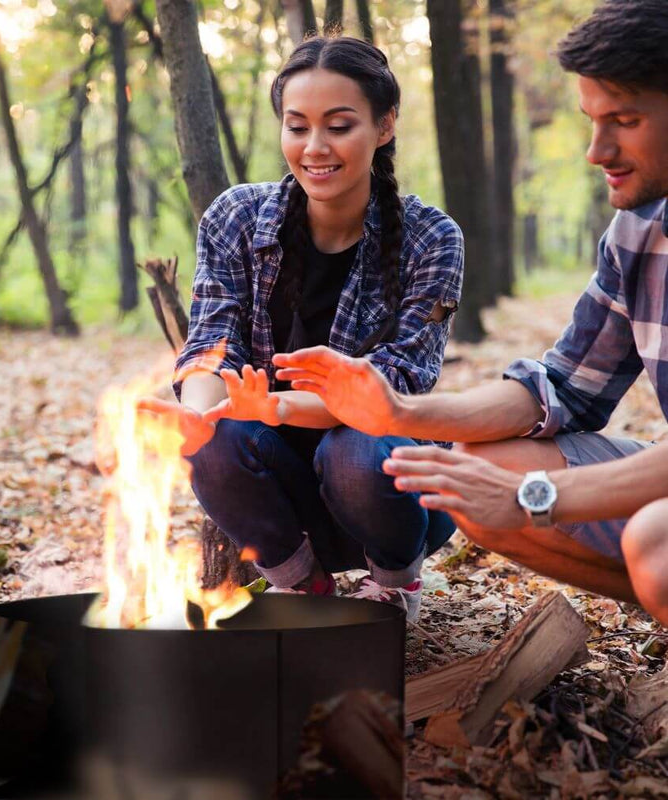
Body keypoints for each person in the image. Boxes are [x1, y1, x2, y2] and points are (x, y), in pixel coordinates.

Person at [272, 0, 668, 625]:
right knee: (475, 474)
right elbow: (563, 387)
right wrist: (399, 410)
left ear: (384, 126)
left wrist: (535, 495)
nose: (596, 151)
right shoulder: (637, 235)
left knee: (653, 545)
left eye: (623, 120)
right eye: (591, 120)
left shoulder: (427, 234)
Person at [149, 36, 464, 622]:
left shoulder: (431, 238)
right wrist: (197, 415)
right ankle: (302, 589)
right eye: (297, 127)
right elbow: (212, 344)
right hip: (278, 492)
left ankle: (394, 589)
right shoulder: (237, 218)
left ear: (385, 125)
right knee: (210, 440)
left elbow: (393, 390)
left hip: (390, 491)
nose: (315, 148)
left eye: (339, 126)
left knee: (355, 446)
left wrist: (277, 407)